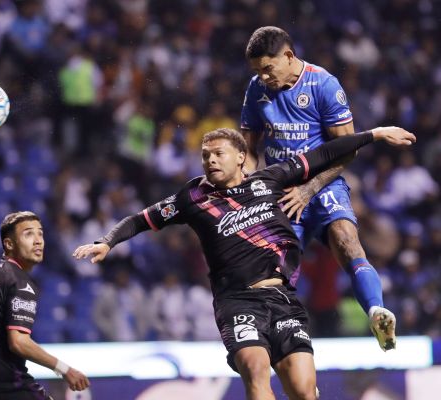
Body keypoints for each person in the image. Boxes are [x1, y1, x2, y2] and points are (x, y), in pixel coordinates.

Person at [73, 126, 415, 400]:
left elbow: (325, 153)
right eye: (205, 156)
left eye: (218, 154)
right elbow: (140, 219)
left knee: (302, 389)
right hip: (237, 301)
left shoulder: (271, 180)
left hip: (282, 298)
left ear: (241, 157)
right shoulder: (192, 198)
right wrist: (107, 242)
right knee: (255, 368)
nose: (210, 160)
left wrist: (375, 134)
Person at [240, 26, 396, 351]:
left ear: (288, 56)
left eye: (268, 68)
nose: (263, 77)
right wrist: (247, 179)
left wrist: (309, 189)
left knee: (346, 239)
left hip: (323, 184)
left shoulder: (323, 84)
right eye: (257, 70)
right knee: (277, 268)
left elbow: (348, 149)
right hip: (283, 190)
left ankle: (376, 312)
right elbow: (250, 147)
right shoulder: (256, 88)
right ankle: (274, 338)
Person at [0, 211, 89, 400]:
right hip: (8, 386)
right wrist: (64, 369)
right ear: (9, 244)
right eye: (28, 234)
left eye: (40, 234)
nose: (38, 241)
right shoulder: (19, 282)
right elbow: (18, 342)